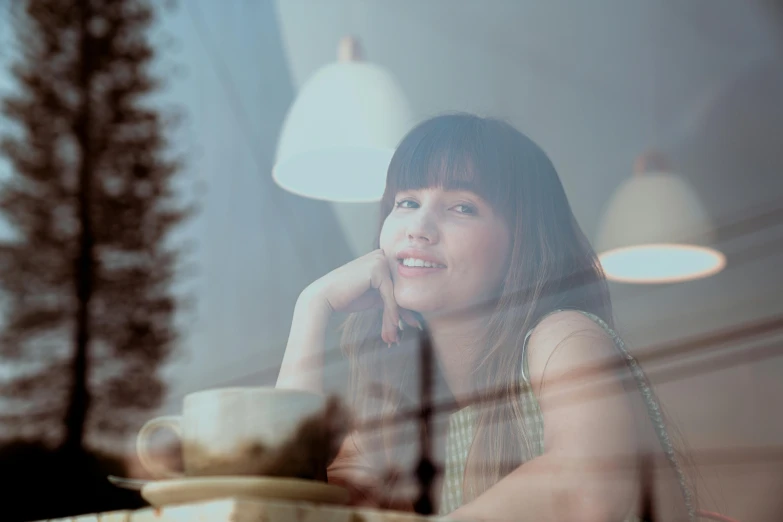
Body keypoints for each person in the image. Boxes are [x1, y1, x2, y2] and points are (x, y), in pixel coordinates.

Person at [277, 113, 695, 521]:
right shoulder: (402, 407)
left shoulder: (562, 338)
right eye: (407, 202)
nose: (419, 227)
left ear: (521, 240)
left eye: (461, 207)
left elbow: (589, 492)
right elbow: (284, 507)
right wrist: (312, 308)